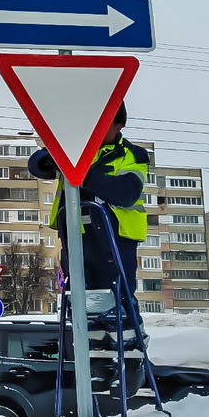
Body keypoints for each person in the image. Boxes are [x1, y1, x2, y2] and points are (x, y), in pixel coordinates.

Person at [27, 102, 150, 391]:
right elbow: (37, 163)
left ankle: (132, 363)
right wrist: (55, 160)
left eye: (104, 124)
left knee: (116, 302)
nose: (95, 130)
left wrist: (79, 171)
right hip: (76, 235)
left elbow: (125, 192)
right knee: (83, 304)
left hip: (112, 237)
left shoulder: (130, 154)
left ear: (119, 126)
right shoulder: (77, 148)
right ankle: (99, 365)